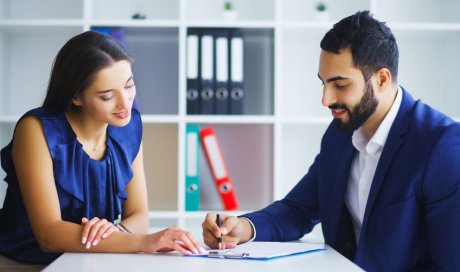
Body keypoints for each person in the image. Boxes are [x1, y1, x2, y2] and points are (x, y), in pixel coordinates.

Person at [202, 10, 460, 271]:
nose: (326, 100)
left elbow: (450, 265)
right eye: (324, 83)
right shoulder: (340, 134)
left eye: (340, 85)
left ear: (381, 79)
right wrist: (243, 227)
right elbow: (298, 209)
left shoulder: (442, 146)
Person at [0, 31, 205, 269]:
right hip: (23, 260)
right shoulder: (36, 129)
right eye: (107, 96)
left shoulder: (128, 126)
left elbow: (139, 216)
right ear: (76, 97)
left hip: (89, 258)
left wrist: (114, 231)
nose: (125, 102)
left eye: (129, 85)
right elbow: (49, 235)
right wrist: (143, 242)